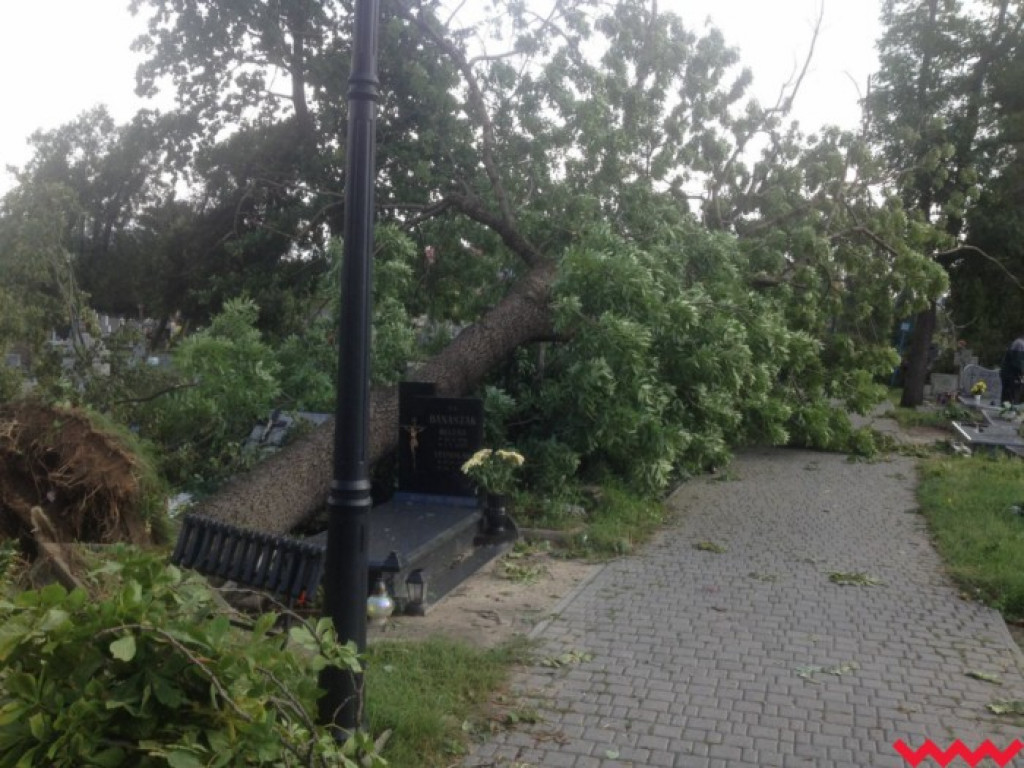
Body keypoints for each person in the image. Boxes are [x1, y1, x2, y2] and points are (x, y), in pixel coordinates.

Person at [1000, 334, 1024, 403]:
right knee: (1010, 397)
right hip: (1010, 375)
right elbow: (1018, 363)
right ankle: (1008, 411)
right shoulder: (1020, 344)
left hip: (1011, 374)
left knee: (1009, 397)